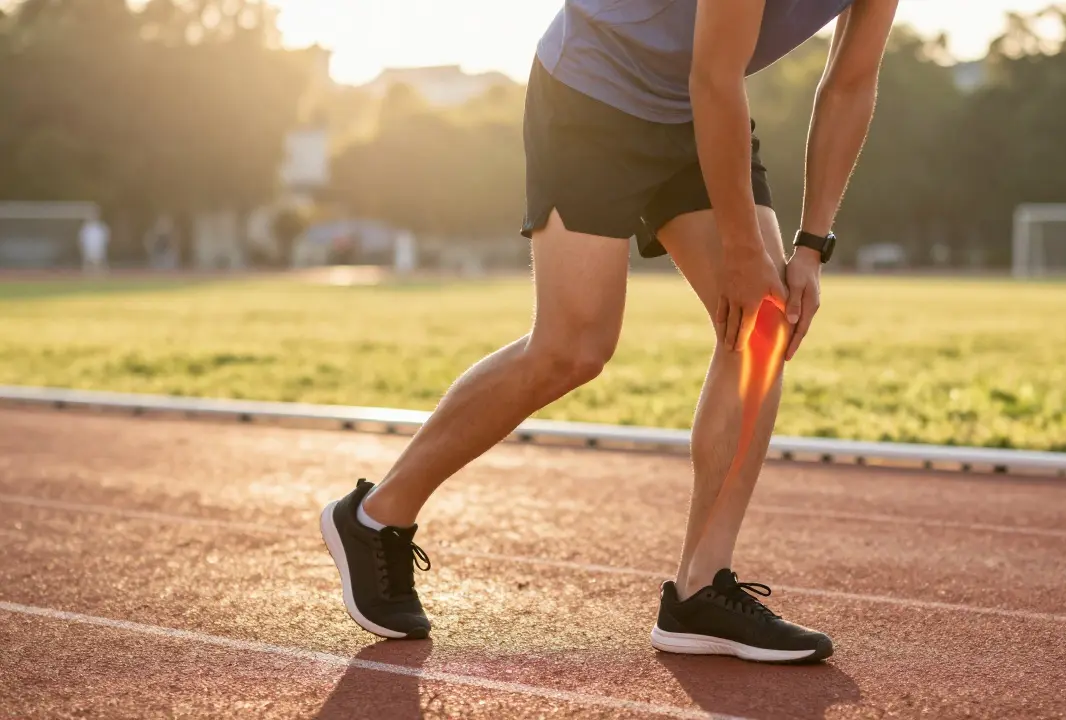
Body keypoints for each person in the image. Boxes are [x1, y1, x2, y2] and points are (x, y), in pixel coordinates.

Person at [321, 0, 899, 663]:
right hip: (595, 90)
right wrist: (742, 249)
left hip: (692, 110)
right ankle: (373, 516)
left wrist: (810, 247)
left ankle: (700, 590)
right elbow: (714, 76)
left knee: (764, 324)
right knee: (574, 347)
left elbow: (852, 81)